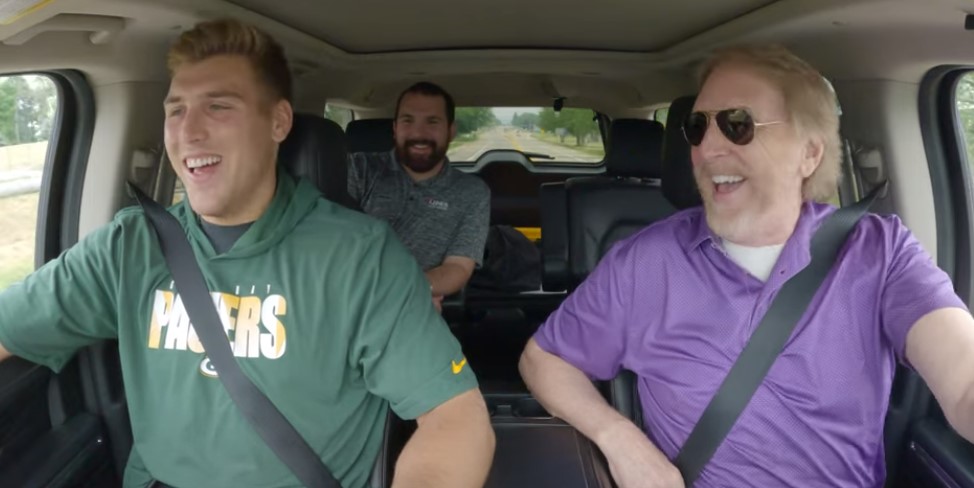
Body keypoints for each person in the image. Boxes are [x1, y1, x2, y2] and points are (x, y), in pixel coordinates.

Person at [0, 18, 494, 488]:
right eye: (175, 110)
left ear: (278, 122)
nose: (188, 131)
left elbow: (454, 416)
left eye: (218, 106)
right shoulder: (129, 246)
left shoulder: (361, 256)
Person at [519, 44, 974, 487]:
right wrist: (619, 437)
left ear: (809, 153)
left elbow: (963, 377)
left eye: (738, 125)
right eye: (697, 127)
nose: (707, 148)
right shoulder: (646, 260)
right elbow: (544, 359)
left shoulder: (880, 252)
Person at [347, 82, 491, 312]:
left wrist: (414, 289)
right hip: (349, 301)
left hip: (416, 310)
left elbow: (459, 267)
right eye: (408, 121)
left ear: (451, 131)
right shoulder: (360, 169)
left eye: (432, 122)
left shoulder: (471, 192)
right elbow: (329, 245)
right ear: (395, 128)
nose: (418, 133)